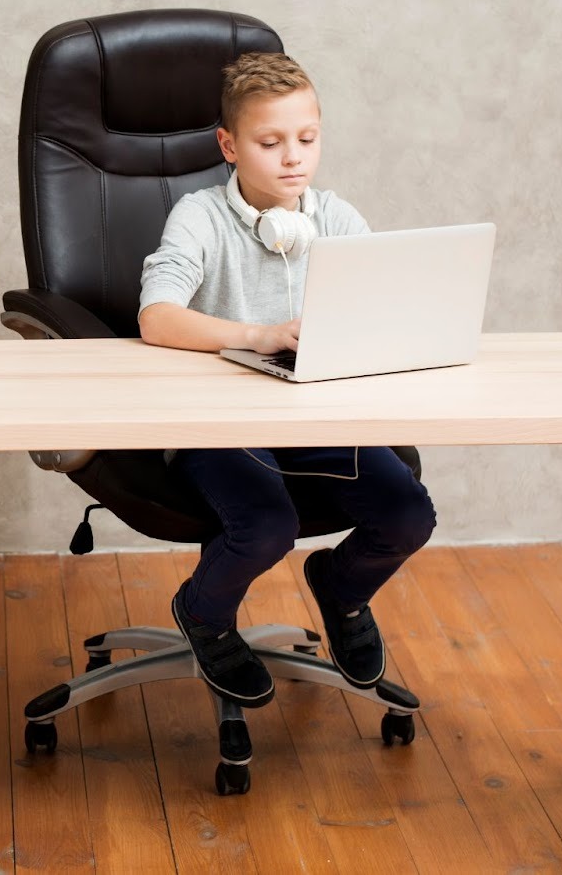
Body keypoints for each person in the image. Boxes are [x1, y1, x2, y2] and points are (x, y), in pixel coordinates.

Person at [136, 51, 437, 707]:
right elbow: (157, 318)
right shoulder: (200, 217)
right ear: (229, 146)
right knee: (266, 525)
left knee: (408, 513)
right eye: (271, 143)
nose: (293, 158)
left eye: (307, 139)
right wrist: (257, 336)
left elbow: (389, 302)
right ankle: (205, 612)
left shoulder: (332, 217)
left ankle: (341, 588)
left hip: (313, 418)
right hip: (217, 426)